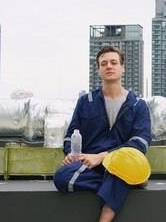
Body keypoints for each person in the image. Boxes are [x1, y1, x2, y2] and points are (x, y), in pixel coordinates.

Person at [53, 46, 152, 222]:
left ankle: (105, 217)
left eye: (114, 62)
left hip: (121, 164)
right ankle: (127, 184)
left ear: (123, 68)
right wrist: (71, 154)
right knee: (61, 177)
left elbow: (141, 143)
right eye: (103, 63)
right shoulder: (86, 101)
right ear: (99, 70)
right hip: (89, 166)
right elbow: (71, 134)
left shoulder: (138, 105)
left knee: (119, 171)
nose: (109, 66)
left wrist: (103, 156)